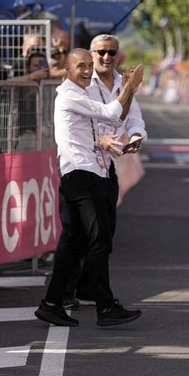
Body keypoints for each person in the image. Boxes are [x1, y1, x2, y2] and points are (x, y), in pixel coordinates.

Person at [34, 49, 144, 327]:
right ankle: (105, 307)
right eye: (80, 66)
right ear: (67, 70)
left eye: (87, 66)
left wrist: (128, 91)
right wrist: (130, 86)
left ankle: (50, 304)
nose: (86, 71)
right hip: (82, 176)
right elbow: (110, 112)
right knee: (100, 239)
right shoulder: (70, 95)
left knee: (76, 243)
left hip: (86, 173)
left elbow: (113, 120)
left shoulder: (82, 95)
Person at [60, 34, 147, 308]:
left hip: (106, 167)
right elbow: (79, 125)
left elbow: (134, 118)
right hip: (81, 168)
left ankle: (87, 289)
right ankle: (67, 294)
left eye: (112, 52)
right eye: (101, 53)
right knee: (76, 233)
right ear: (91, 54)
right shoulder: (82, 83)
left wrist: (135, 136)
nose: (106, 58)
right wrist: (101, 140)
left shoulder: (123, 83)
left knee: (104, 232)